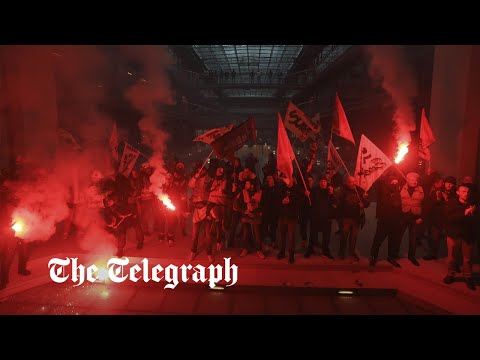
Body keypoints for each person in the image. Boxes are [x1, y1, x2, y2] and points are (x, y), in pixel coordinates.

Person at [443, 184, 478, 290]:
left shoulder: (473, 203)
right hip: (454, 235)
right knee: (452, 257)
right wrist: (465, 213)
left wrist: (474, 213)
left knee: (467, 258)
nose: (466, 194)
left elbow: (475, 221)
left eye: (467, 192)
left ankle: (468, 277)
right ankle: (450, 274)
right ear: (458, 192)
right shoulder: (452, 203)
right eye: (463, 191)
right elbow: (449, 218)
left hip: (467, 235)